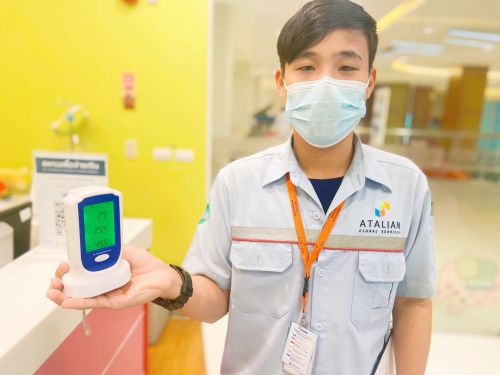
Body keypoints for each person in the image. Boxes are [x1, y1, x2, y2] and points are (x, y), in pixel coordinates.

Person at [48, 1, 436, 374]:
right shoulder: (238, 183)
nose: (326, 82)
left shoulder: (404, 187)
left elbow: (414, 301)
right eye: (307, 66)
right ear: (282, 83)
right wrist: (170, 281)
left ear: (369, 82)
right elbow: (214, 302)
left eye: (347, 67)